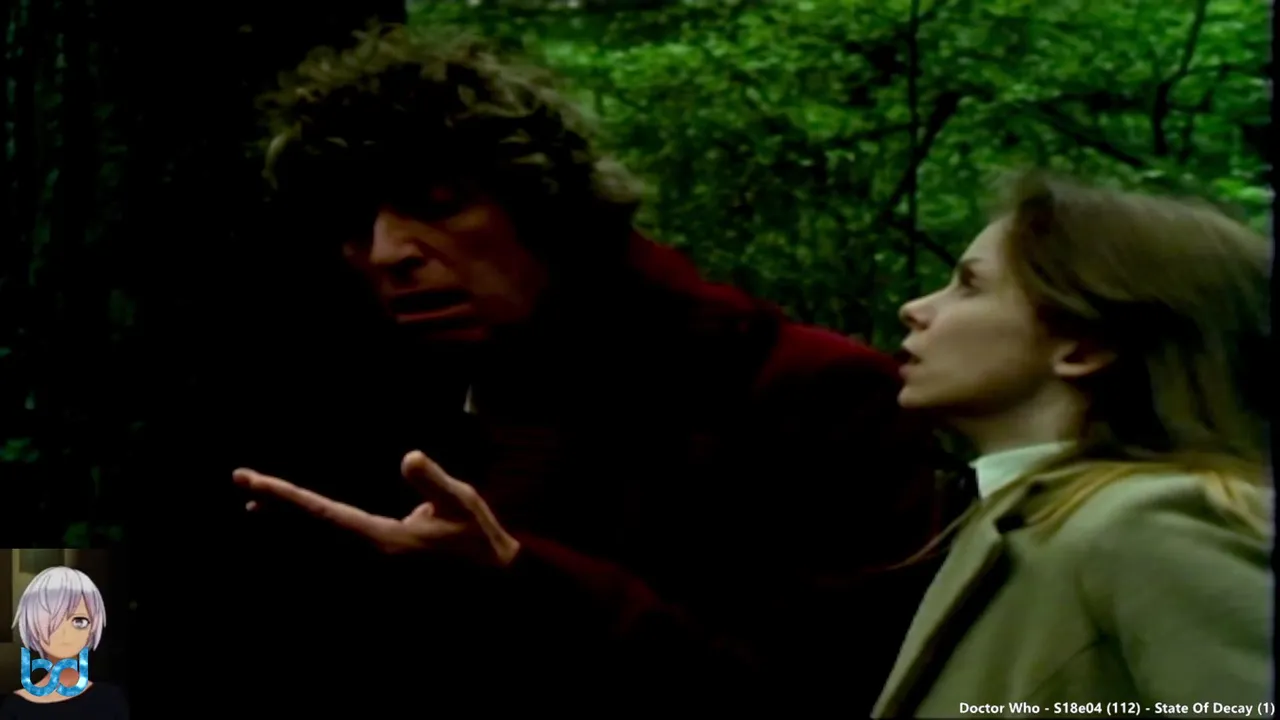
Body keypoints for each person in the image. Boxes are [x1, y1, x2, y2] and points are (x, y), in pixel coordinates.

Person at [228, 23, 964, 712]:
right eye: (355, 226)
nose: (389, 253)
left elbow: (838, 691)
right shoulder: (364, 409)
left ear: (544, 206)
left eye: (439, 205)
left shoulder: (807, 393)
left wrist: (522, 579)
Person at [874, 170, 1273, 718]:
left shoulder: (1151, 525)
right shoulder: (1022, 519)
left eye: (969, 285)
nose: (915, 308)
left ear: (1082, 347)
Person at [2, 567, 129, 720]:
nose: (65, 632)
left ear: (92, 629)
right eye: (52, 620)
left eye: (79, 621)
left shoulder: (110, 699)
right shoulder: (15, 708)